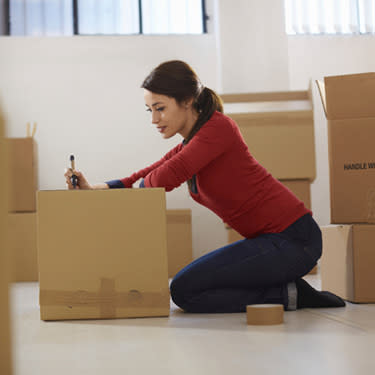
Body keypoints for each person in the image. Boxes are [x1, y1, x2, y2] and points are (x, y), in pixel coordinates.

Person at [65, 60, 345, 313]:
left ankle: (289, 294)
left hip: (295, 240)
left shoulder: (218, 129)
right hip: (268, 242)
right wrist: (94, 190)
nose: (154, 119)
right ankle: (289, 291)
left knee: (185, 290)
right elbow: (146, 174)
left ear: (187, 101)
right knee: (186, 289)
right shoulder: (192, 143)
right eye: (150, 110)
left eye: (160, 108)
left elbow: (164, 178)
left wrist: (141, 188)